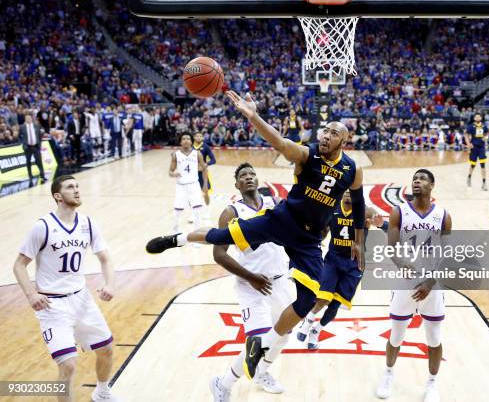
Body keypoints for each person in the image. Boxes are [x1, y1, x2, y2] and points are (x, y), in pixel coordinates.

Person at [146, 91, 365, 381]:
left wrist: (360, 243)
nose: (325, 136)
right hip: (284, 220)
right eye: (324, 131)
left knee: (308, 299)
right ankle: (177, 239)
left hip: (309, 240)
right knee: (220, 236)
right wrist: (253, 116)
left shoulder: (352, 170)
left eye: (333, 133)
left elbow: (359, 205)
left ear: (343, 140)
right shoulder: (307, 155)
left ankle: (265, 345)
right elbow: (280, 142)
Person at [13, 175, 120, 402]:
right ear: (58, 196)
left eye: (78, 186)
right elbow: (19, 265)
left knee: (107, 349)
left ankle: (102, 393)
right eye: (71, 187)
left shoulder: (88, 224)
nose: (77, 190)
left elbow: (105, 259)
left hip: (82, 299)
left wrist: (109, 284)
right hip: (53, 305)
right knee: (69, 365)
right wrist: (31, 294)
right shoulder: (42, 227)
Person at [209, 163, 292, 401]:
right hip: (251, 285)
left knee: (284, 334)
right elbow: (219, 254)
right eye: (243, 175)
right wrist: (251, 277)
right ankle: (222, 384)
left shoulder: (274, 203)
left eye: (252, 174)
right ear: (237, 184)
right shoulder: (231, 213)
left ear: (258, 180)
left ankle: (261, 372)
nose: (248, 178)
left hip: (280, 281)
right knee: (257, 341)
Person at [376, 169, 452, 402]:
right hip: (404, 281)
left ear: (432, 185)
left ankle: (432, 383)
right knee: (397, 335)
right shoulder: (399, 211)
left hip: (433, 282)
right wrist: (402, 264)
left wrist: (430, 281)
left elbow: (447, 253)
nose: (416, 182)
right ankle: (388, 374)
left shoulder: (443, 215)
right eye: (414, 179)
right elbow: (391, 249)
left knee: (434, 337)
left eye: (422, 179)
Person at [296, 191, 385, 350]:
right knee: (324, 296)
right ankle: (308, 321)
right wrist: (312, 242)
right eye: (345, 190)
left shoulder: (366, 210)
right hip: (334, 260)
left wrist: (380, 224)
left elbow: (385, 226)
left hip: (355, 263)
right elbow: (323, 231)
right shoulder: (332, 208)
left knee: (335, 304)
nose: (348, 193)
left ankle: (317, 331)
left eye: (352, 190)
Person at [169, 132, 209, 233]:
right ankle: (175, 233)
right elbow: (170, 171)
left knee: (197, 210)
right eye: (183, 139)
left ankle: (197, 234)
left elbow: (204, 169)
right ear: (180, 142)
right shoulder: (175, 155)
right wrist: (173, 174)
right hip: (181, 186)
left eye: (188, 139)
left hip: (194, 185)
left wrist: (204, 185)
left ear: (191, 141)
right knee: (177, 210)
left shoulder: (197, 154)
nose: (186, 140)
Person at [19, 113, 47, 185]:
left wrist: (39, 144)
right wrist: (23, 143)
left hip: (36, 146)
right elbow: (19, 136)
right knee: (28, 162)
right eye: (27, 118)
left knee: (39, 161)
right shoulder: (22, 127)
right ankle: (30, 176)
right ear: (25, 119)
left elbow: (40, 135)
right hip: (27, 147)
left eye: (29, 118)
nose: (28, 119)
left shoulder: (36, 126)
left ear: (31, 119)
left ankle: (42, 175)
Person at [465, 114, 488, 190]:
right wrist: (468, 143)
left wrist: (486, 138)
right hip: (473, 147)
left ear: (481, 117)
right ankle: (469, 177)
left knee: (483, 165)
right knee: (473, 165)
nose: (478, 117)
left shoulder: (484, 126)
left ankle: (484, 183)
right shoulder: (471, 126)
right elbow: (466, 134)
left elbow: (487, 133)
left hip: (481, 147)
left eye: (479, 116)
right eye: (476, 116)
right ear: (474, 118)